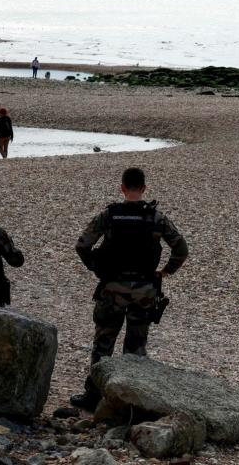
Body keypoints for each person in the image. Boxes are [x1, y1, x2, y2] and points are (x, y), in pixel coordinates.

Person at [71, 167, 189, 411]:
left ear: (122, 187)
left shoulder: (110, 215)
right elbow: (181, 248)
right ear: (144, 188)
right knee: (136, 347)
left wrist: (97, 268)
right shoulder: (156, 217)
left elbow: (82, 245)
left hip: (112, 287)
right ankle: (131, 400)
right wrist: (166, 271)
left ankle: (93, 395)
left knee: (103, 343)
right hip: (144, 290)